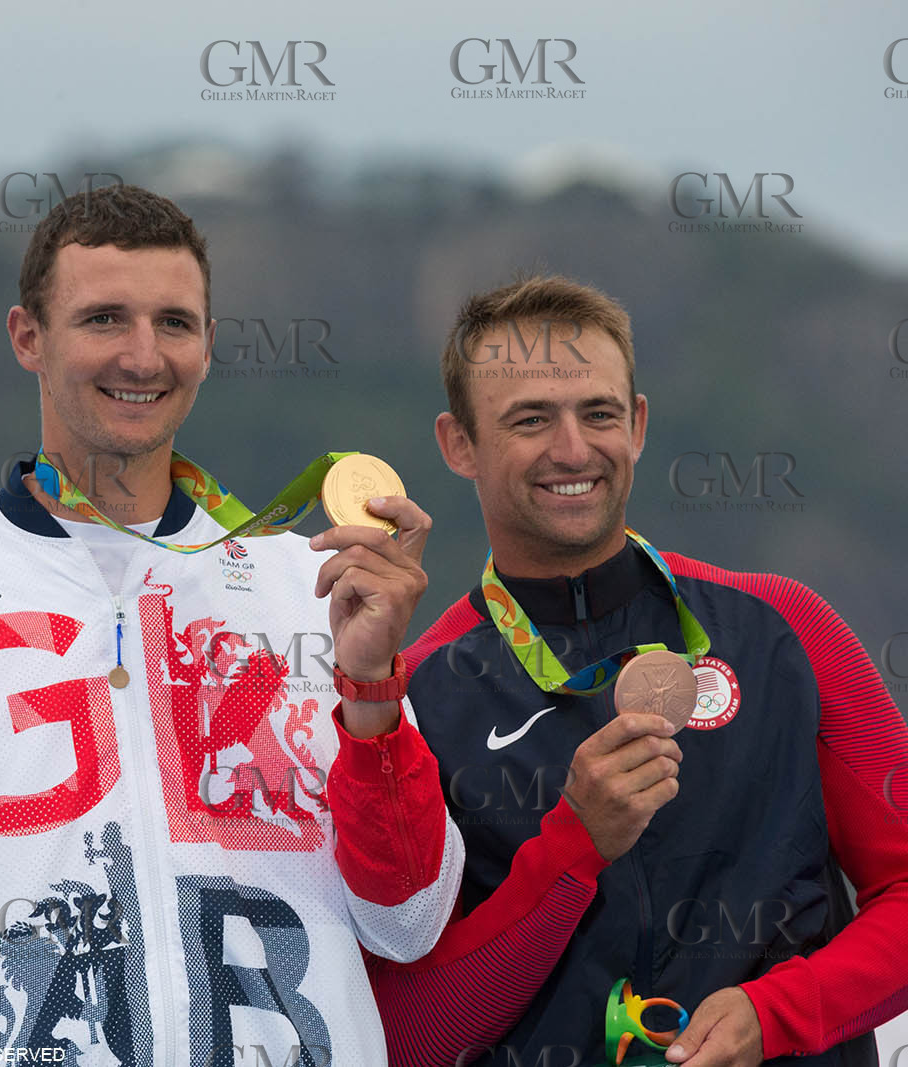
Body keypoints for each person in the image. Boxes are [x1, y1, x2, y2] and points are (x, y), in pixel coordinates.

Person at [0, 183, 463, 1067]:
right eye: (103, 319)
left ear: (208, 346)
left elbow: (407, 919)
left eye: (175, 323)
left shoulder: (309, 586)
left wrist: (369, 693)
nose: (143, 355)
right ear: (28, 337)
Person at [375, 275, 908, 1067]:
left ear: (640, 424)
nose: (573, 448)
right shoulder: (419, 696)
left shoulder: (784, 627)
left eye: (599, 413)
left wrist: (778, 1014)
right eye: (531, 419)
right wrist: (572, 848)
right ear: (459, 444)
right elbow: (413, 1033)